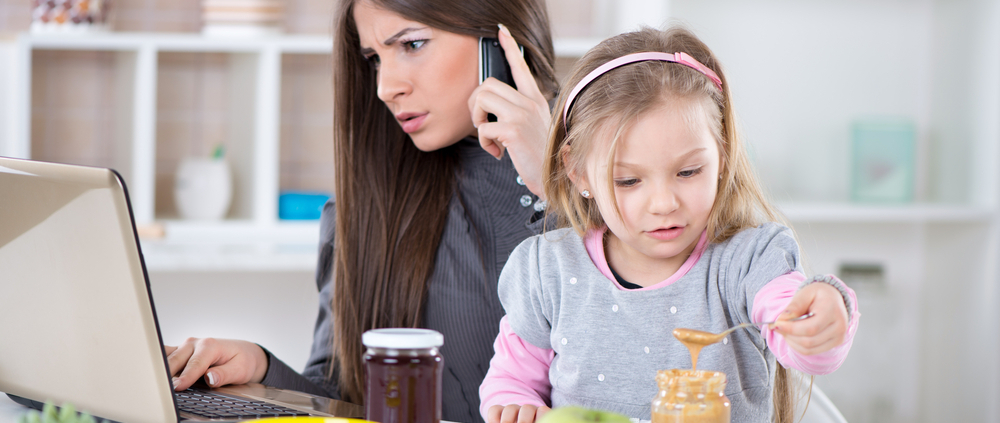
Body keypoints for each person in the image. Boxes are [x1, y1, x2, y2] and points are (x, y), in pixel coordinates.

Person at [164, 0, 560, 422]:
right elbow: (346, 397)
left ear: (498, 45)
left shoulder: (616, 188)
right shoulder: (367, 206)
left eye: (412, 44)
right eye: (373, 58)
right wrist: (260, 366)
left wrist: (552, 184)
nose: (385, 87)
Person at [479, 26, 861, 423]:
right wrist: (513, 407)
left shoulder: (749, 261)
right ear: (578, 173)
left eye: (688, 171)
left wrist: (820, 319)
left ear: (723, 157)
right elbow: (510, 381)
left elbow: (795, 329)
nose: (664, 204)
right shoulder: (548, 271)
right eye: (628, 180)